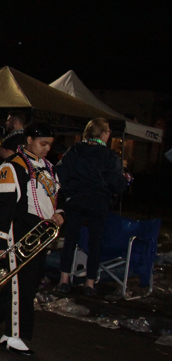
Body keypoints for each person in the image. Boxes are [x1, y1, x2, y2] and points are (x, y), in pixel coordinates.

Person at [0, 122, 64, 355]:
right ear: (28, 141)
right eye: (42, 144)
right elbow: (2, 209)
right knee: (22, 285)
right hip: (19, 232)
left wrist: (59, 213)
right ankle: (13, 335)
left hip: (41, 233)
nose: (46, 149)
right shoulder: (12, 166)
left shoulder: (48, 167)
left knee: (27, 284)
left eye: (49, 145)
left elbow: (55, 197)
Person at [55, 118, 128, 296]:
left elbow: (60, 173)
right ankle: (89, 284)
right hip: (98, 203)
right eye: (108, 131)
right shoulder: (109, 156)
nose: (109, 134)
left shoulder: (73, 151)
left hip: (76, 200)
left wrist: (70, 192)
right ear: (103, 134)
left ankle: (64, 280)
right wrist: (126, 181)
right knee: (96, 243)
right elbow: (117, 185)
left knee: (70, 241)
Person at [0, 111, 27, 180]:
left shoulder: (19, 137)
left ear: (15, 122)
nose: (6, 123)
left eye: (8, 121)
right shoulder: (13, 136)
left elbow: (8, 154)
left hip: (4, 176)